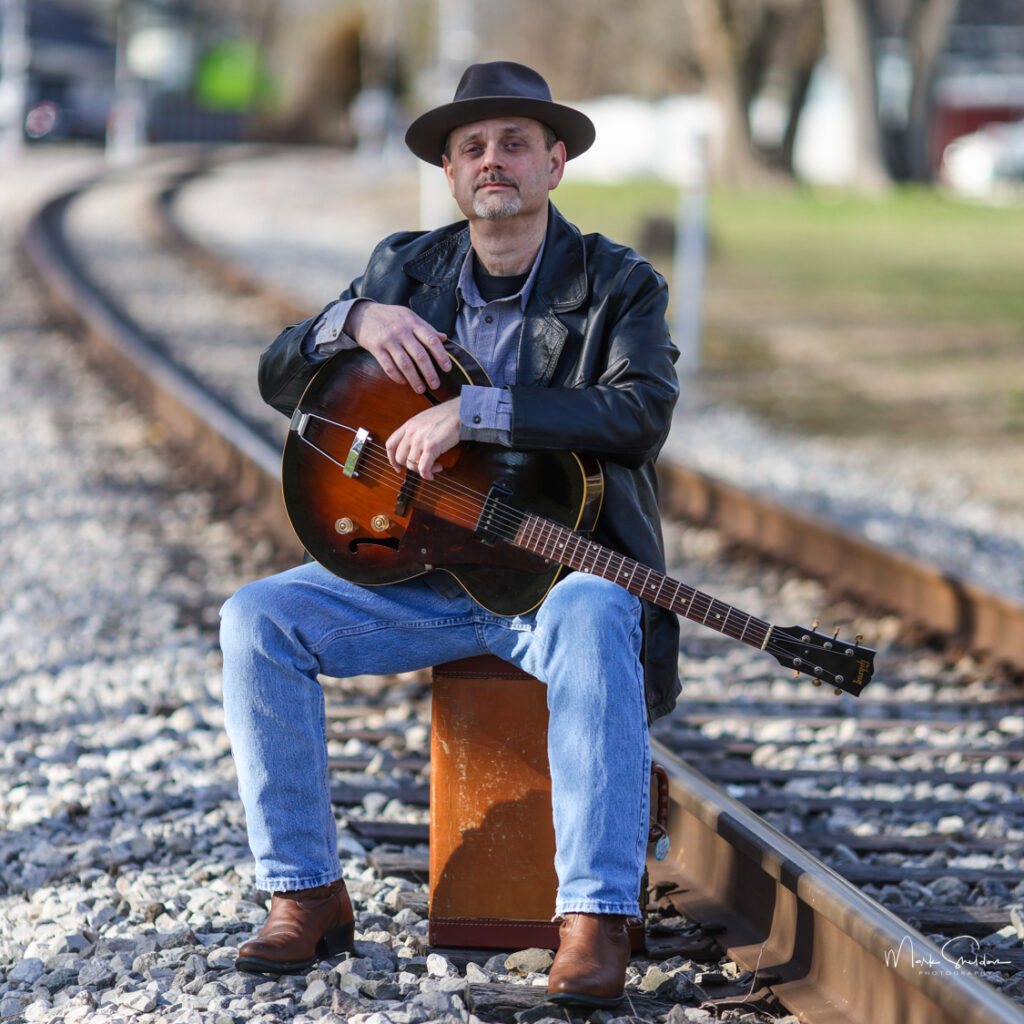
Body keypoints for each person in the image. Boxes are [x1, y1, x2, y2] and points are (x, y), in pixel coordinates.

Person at [220, 60, 680, 1008]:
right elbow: (280, 383)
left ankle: (594, 919)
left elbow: (641, 414)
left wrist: (483, 411)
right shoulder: (404, 270)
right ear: (450, 171)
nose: (491, 160)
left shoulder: (619, 284)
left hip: (553, 582)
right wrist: (350, 317)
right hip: (416, 578)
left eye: (514, 142)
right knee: (255, 620)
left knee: (600, 610)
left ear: (555, 163)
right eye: (472, 147)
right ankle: (304, 892)